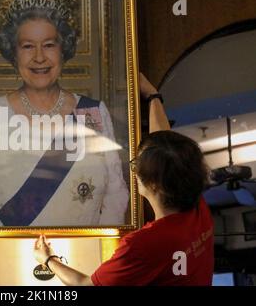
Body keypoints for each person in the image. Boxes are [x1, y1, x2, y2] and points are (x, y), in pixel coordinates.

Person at [0, 0, 129, 227]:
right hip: (12, 256)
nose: (39, 57)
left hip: (86, 256)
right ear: (14, 52)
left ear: (63, 49)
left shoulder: (91, 112)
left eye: (49, 45)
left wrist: (97, 245)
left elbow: (116, 195)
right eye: (28, 46)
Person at [33, 80, 214, 285]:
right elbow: (164, 145)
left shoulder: (142, 245)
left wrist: (48, 259)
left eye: (137, 164)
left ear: (153, 184)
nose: (133, 169)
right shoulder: (198, 211)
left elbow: (86, 284)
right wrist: (153, 96)